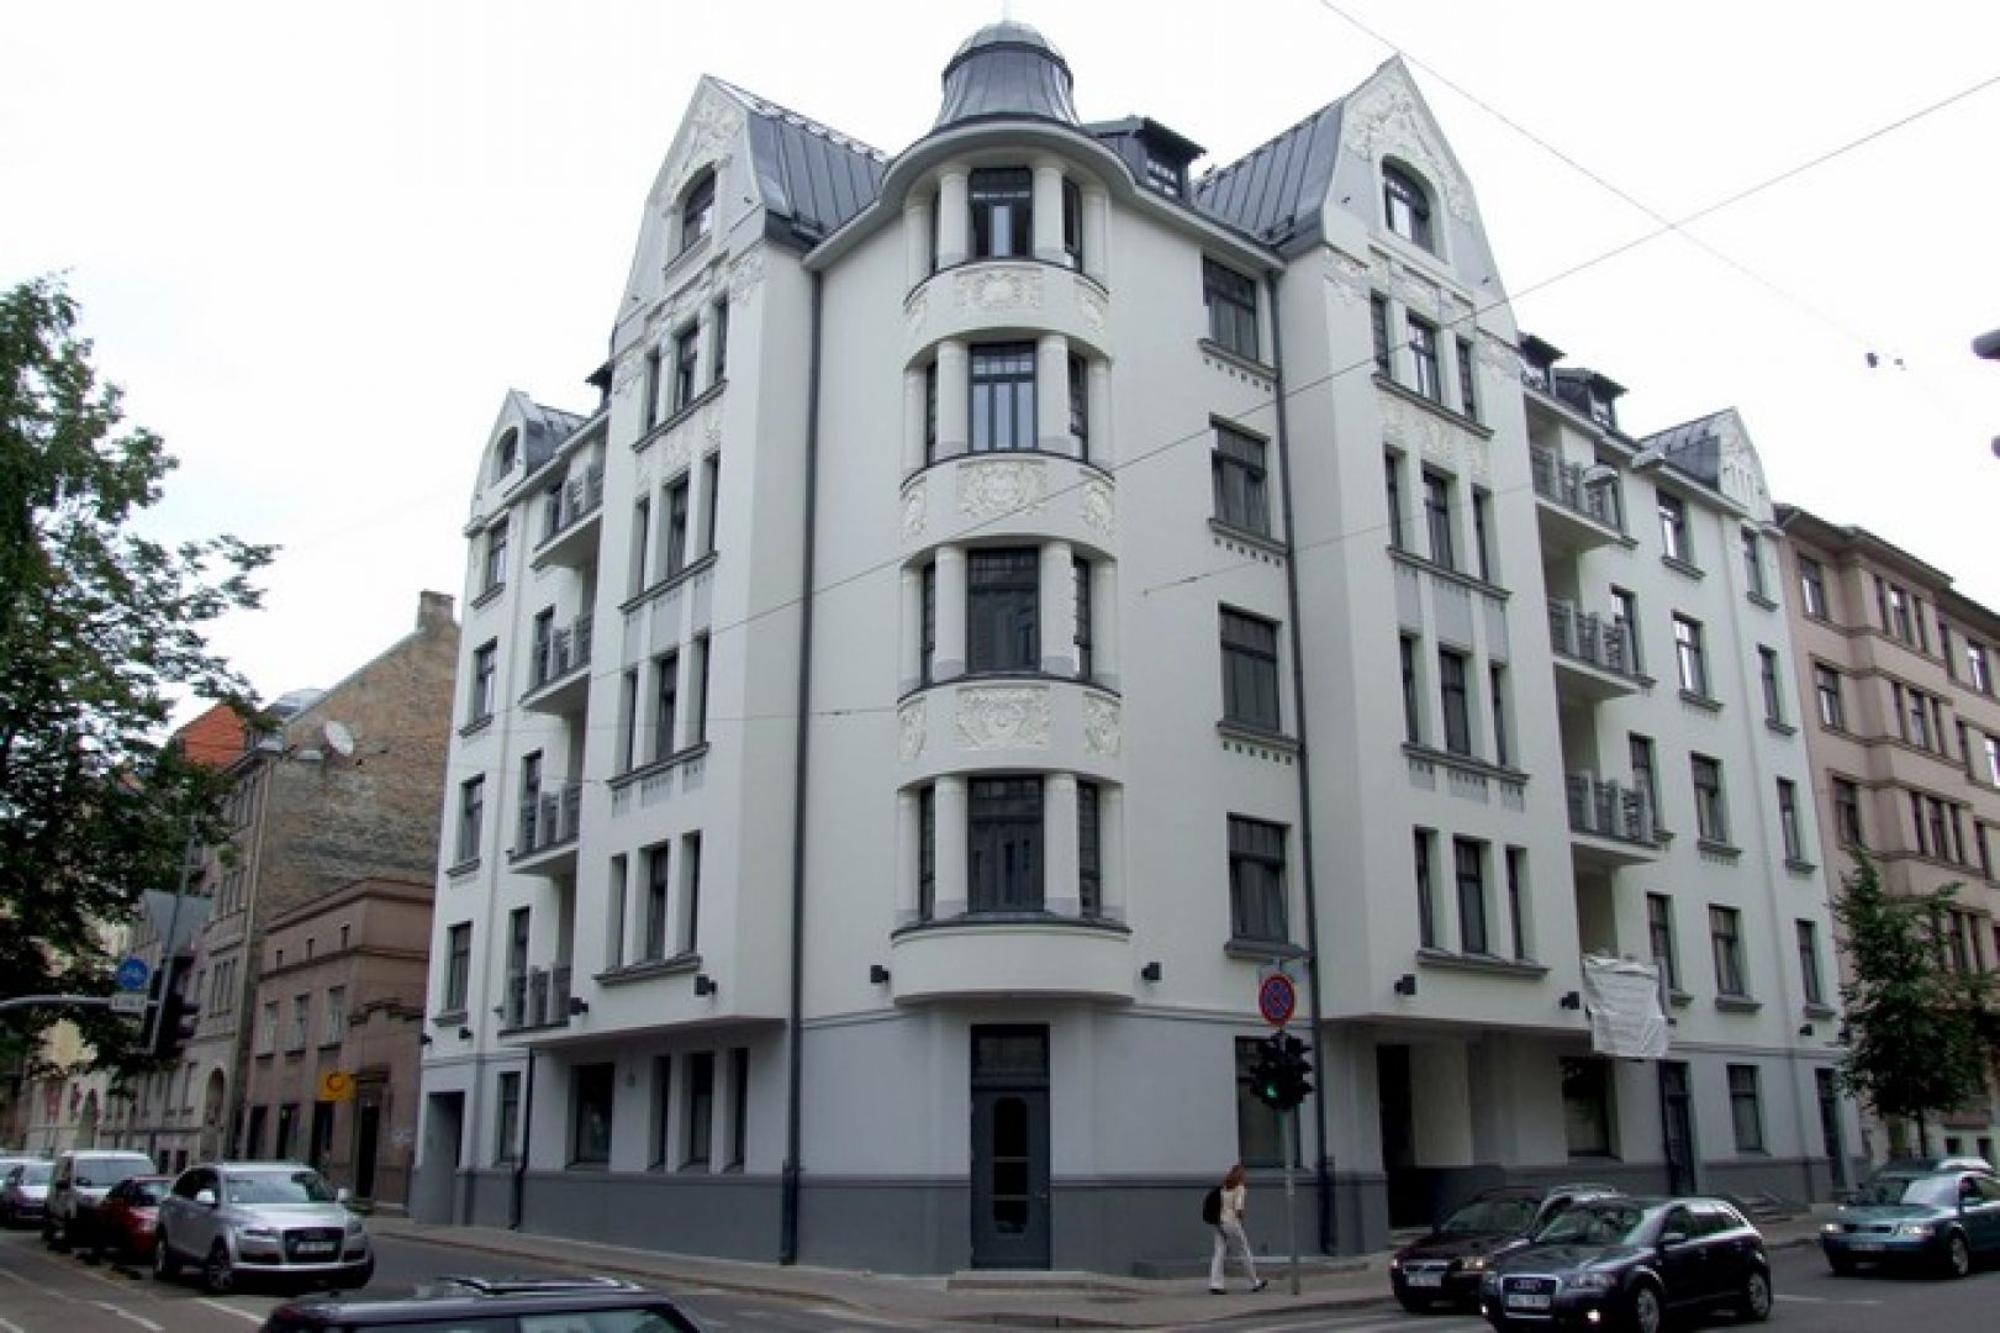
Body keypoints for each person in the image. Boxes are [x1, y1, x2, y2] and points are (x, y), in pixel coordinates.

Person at [1208, 1163, 1268, 1294]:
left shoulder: (1224, 1186)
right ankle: (1254, 1282)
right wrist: (1242, 1218)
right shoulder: (1240, 1188)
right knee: (1244, 1251)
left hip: (1219, 1222)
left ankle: (1215, 1283)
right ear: (1241, 1175)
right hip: (1231, 1222)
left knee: (1219, 1252)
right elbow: (1239, 1208)